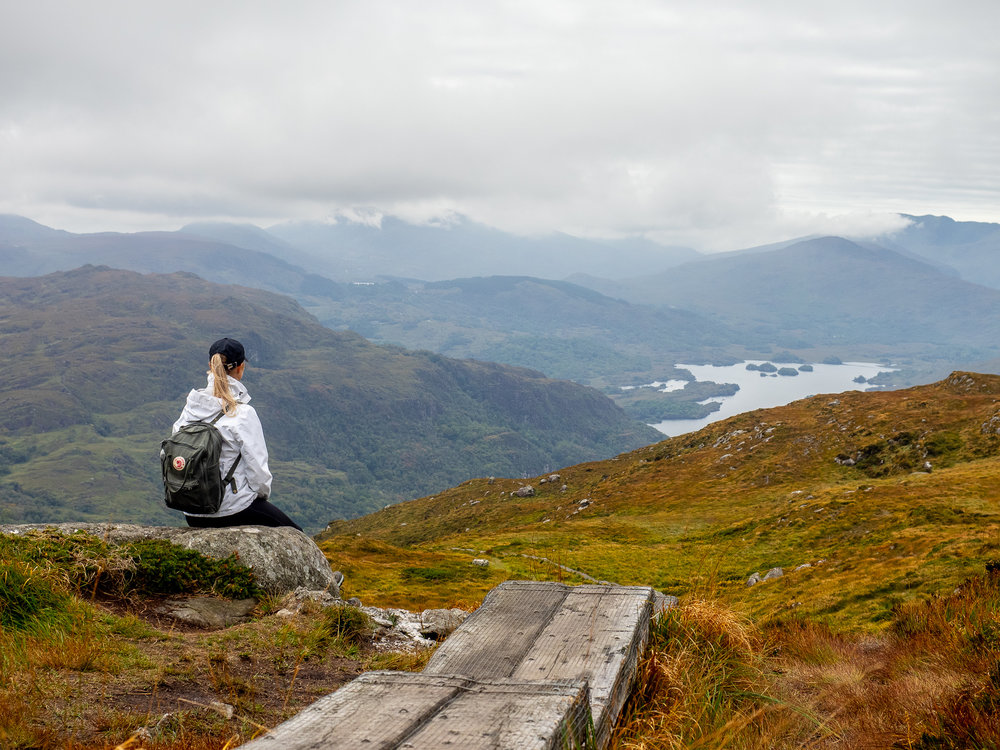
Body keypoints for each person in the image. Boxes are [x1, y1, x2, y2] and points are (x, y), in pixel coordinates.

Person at [172, 337, 302, 531]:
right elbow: (258, 472)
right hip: (232, 510)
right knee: (296, 535)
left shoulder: (191, 407)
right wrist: (256, 498)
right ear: (241, 368)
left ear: (210, 365)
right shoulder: (242, 413)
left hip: (192, 511)